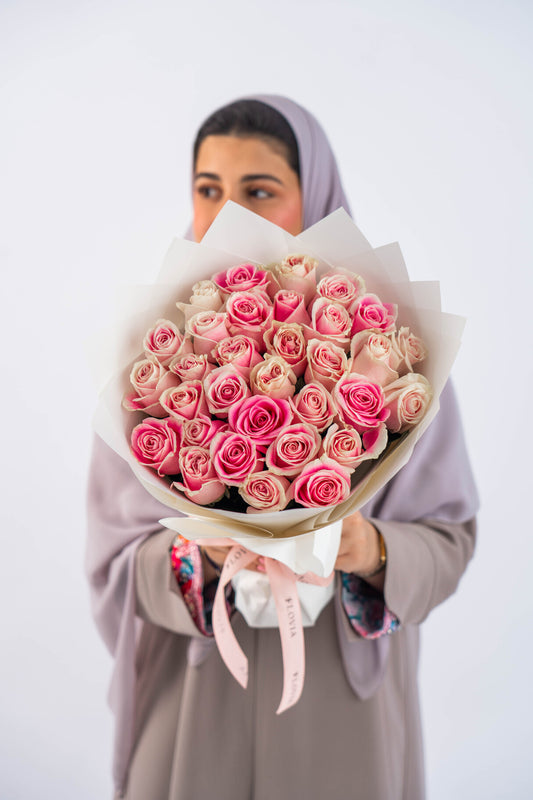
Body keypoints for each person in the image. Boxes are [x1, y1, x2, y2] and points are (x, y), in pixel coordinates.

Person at [86, 95, 479, 800]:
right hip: (197, 700)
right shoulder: (152, 358)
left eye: (258, 191)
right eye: (208, 190)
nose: (227, 216)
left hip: (340, 709)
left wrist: (366, 547)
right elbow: (113, 559)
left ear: (314, 197)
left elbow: (449, 540)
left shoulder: (389, 355)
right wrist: (197, 551)